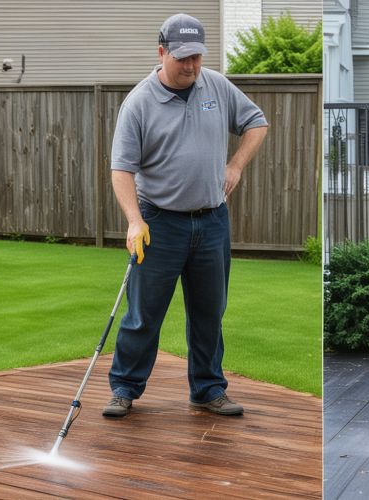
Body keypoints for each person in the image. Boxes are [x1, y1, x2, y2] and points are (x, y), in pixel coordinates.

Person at [102, 13, 268, 418]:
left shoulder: (216, 86)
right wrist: (134, 220)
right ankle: (124, 388)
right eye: (182, 58)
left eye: (197, 56)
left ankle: (208, 389)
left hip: (212, 222)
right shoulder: (139, 102)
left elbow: (256, 122)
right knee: (144, 314)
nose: (191, 66)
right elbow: (121, 169)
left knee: (210, 313)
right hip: (159, 222)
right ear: (162, 52)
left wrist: (236, 166)